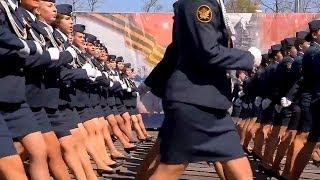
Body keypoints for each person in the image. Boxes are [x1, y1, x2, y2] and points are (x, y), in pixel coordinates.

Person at [149, 0, 261, 179]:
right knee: (171, 168)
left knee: (242, 173)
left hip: (207, 102)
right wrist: (248, 58)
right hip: (195, 101)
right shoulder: (199, 2)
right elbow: (208, 51)